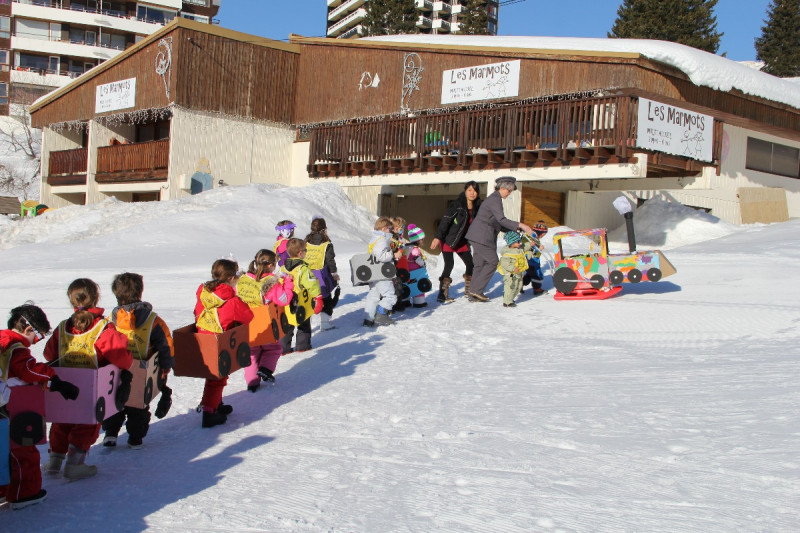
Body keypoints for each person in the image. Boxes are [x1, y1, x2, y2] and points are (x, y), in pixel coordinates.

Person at [43, 278, 134, 480]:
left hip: (64, 384)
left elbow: (49, 355)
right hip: (92, 386)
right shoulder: (102, 328)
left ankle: (55, 461)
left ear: (71, 300)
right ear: (96, 297)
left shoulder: (63, 327)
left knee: (61, 419)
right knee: (86, 424)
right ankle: (75, 464)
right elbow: (122, 357)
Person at [0, 304, 79, 509]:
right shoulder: (16, 348)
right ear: (28, 330)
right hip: (12, 408)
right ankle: (25, 494)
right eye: (38, 337)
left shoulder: (2, 340)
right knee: (23, 451)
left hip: (3, 408)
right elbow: (28, 369)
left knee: (3, 450)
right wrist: (55, 380)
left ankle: (4, 488)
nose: (36, 342)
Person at [102, 273, 174, 449]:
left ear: (115, 293)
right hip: (142, 370)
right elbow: (165, 344)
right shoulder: (153, 320)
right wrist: (166, 366)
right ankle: (135, 437)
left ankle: (110, 434)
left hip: (115, 370)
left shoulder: (110, 319)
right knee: (138, 405)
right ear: (140, 292)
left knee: (114, 402)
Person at [194, 259, 254, 428]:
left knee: (213, 376)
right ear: (230, 278)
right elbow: (248, 317)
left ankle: (215, 403)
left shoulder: (203, 292)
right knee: (218, 377)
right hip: (220, 342)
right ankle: (209, 412)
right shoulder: (232, 301)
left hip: (202, 339)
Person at [465, 176, 533, 302]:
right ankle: (476, 290)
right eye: (509, 190)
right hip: (482, 236)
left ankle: (473, 294)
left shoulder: (494, 199)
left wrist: (514, 229)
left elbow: (497, 222)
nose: (509, 193)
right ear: (502, 188)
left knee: (479, 265)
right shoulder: (494, 200)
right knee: (492, 262)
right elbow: (501, 219)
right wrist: (521, 225)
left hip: (478, 235)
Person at [237, 249, 294, 392]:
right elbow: (284, 299)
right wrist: (287, 282)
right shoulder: (271, 283)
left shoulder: (243, 280)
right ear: (270, 265)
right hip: (267, 324)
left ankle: (252, 382)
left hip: (247, 325)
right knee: (273, 348)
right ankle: (265, 369)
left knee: (252, 353)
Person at [431, 181, 482, 303]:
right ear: (465, 191)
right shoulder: (457, 205)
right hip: (449, 239)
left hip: (462, 241)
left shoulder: (478, 206)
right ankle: (442, 295)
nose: (472, 193)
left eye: (474, 191)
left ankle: (469, 291)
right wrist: (437, 237)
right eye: (469, 190)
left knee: (471, 264)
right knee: (449, 265)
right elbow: (446, 220)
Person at [281, 238, 323, 354]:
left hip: (286, 300)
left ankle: (284, 348)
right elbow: (312, 283)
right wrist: (318, 296)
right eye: (305, 250)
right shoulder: (303, 269)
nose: (306, 252)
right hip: (300, 301)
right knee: (303, 322)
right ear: (300, 253)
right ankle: (303, 346)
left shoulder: (283, 267)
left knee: (287, 324)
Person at [364, 217, 403, 327]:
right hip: (381, 271)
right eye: (390, 229)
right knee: (390, 295)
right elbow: (380, 255)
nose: (391, 231)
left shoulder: (374, 238)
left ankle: (369, 318)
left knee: (374, 294)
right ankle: (381, 314)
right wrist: (393, 255)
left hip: (373, 270)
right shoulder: (381, 239)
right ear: (384, 228)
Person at [304, 217, 340, 331]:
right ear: (324, 229)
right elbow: (330, 260)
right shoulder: (326, 244)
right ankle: (324, 323)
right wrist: (334, 273)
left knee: (309, 299)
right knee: (326, 298)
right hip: (322, 275)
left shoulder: (306, 242)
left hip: (307, 274)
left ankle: (307, 324)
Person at [498, 231, 527, 307]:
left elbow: (525, 247)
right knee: (511, 287)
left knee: (519, 286)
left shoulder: (518, 249)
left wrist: (531, 244)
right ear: (512, 243)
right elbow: (505, 264)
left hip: (518, 274)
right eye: (518, 242)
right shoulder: (507, 253)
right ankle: (507, 302)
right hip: (511, 275)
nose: (519, 243)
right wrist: (513, 268)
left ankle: (510, 298)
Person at [403, 224, 429, 308]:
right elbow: (418, 260)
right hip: (416, 271)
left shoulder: (406, 248)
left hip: (407, 271)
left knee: (407, 285)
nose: (423, 240)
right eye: (422, 239)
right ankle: (419, 302)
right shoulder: (415, 249)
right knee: (418, 286)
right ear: (417, 240)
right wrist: (423, 264)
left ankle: (405, 300)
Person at [522, 221, 548, 296]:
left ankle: (519, 284)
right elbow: (528, 247)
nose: (543, 235)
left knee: (530, 275)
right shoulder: (530, 237)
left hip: (532, 260)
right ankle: (537, 289)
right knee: (536, 275)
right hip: (529, 260)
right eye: (544, 233)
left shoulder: (533, 237)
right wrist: (538, 248)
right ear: (541, 232)